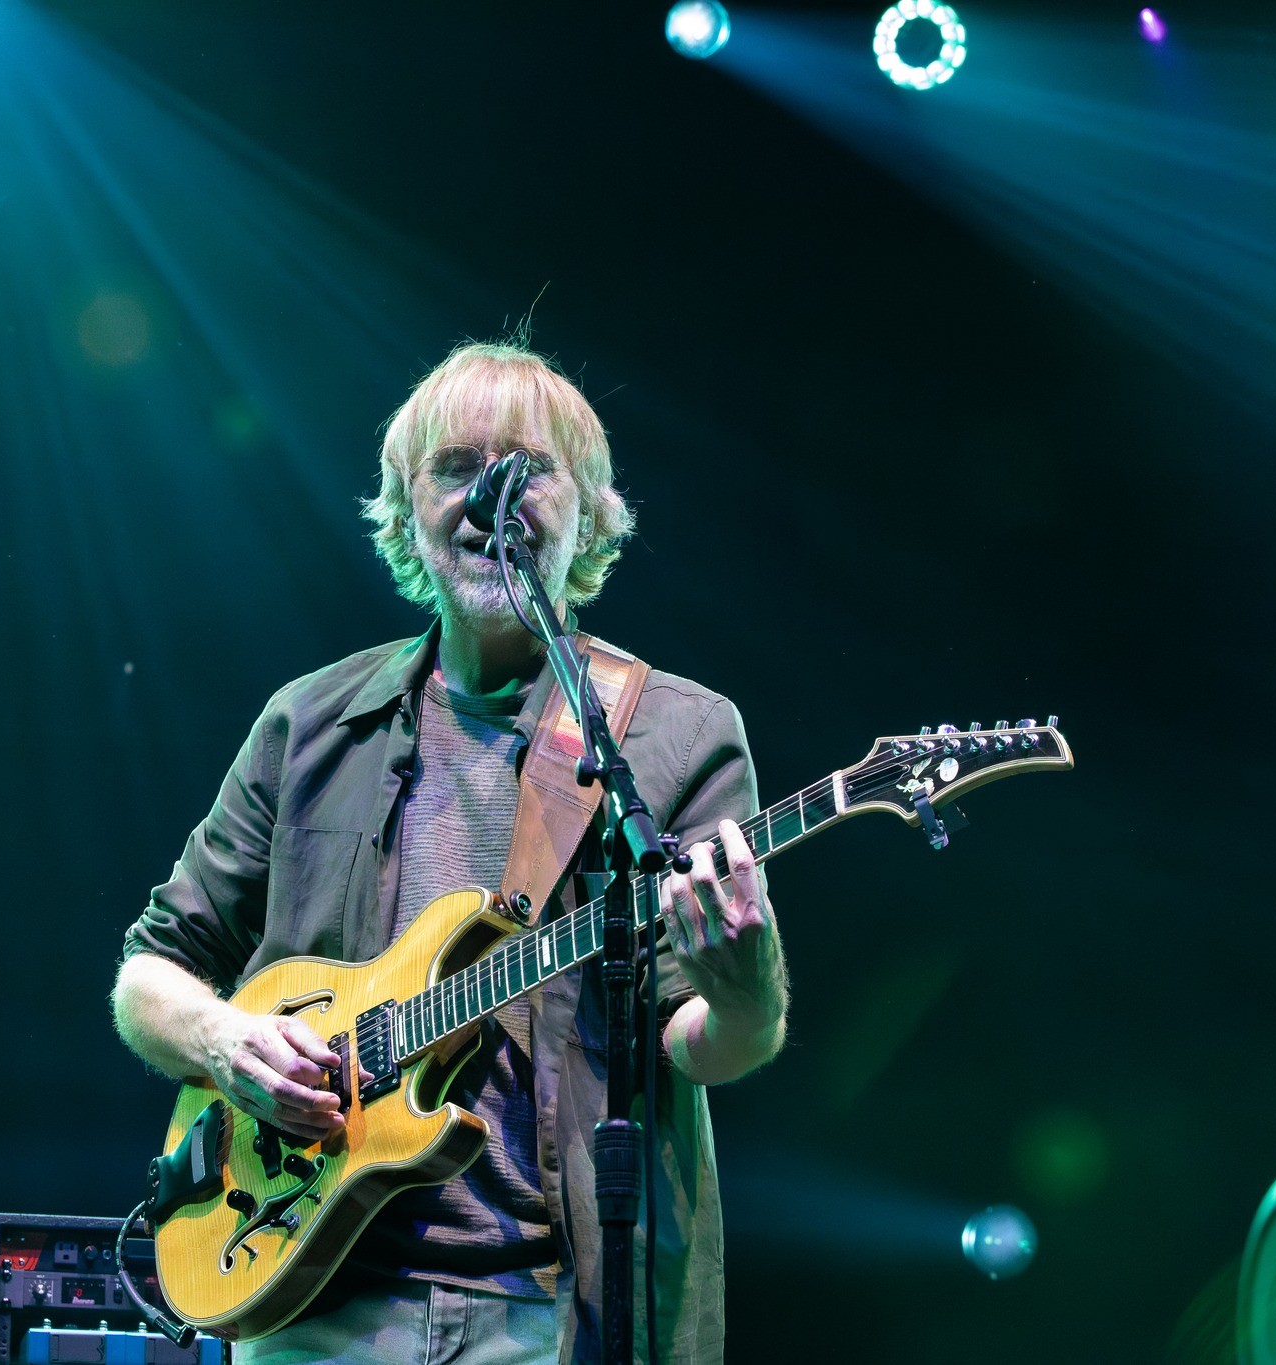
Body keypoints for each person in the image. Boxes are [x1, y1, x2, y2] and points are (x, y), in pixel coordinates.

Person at [111, 339, 790, 1364]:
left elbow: (701, 1044)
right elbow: (149, 973)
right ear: (405, 510)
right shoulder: (309, 724)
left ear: (590, 514)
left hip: (552, 1316)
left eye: (528, 470)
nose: (490, 500)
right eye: (457, 468)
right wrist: (222, 1042)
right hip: (311, 1298)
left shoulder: (674, 736)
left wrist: (748, 994)